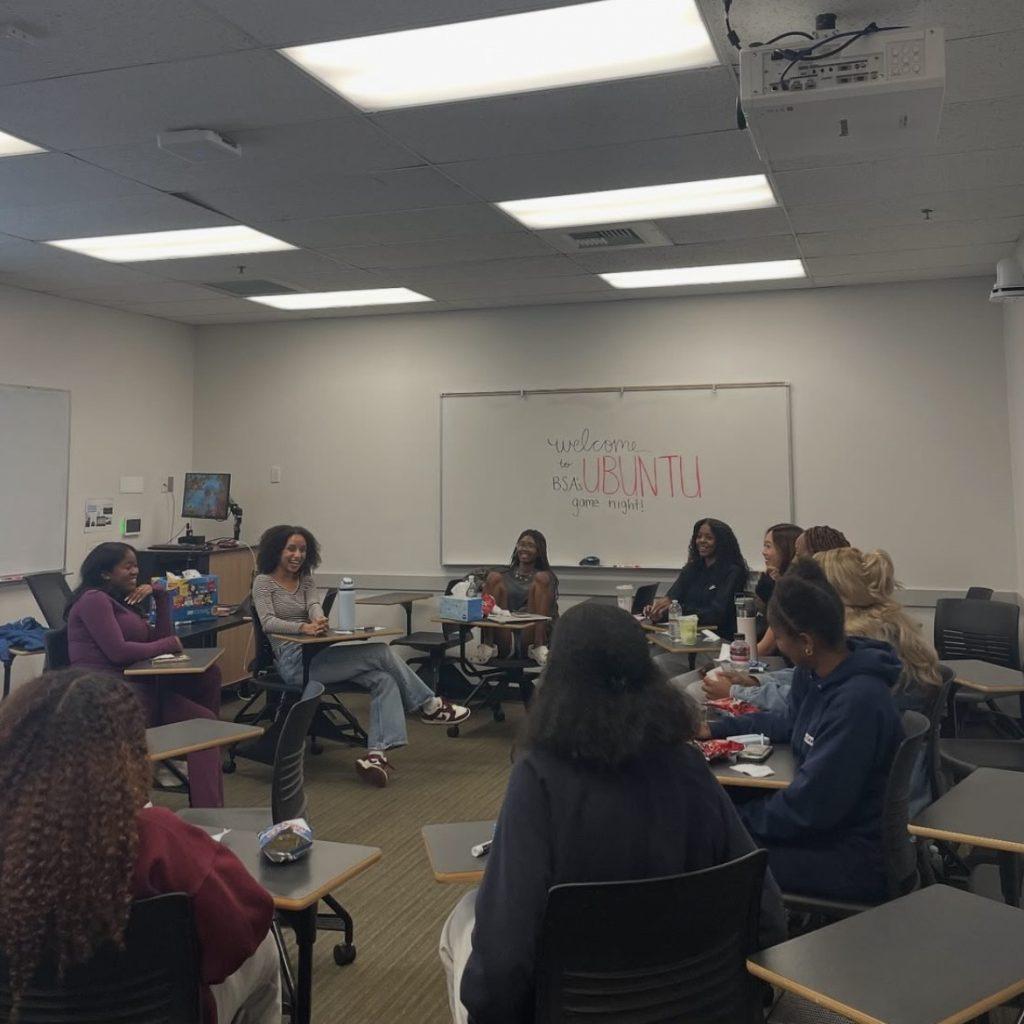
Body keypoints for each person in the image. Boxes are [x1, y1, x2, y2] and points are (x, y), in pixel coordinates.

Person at [439, 602, 785, 1024]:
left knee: (462, 917)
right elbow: (765, 912)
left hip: (575, 1010)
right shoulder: (690, 767)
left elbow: (502, 964)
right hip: (699, 1005)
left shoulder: (538, 779)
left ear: (557, 678)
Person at [0, 669, 279, 1024]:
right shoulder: (157, 838)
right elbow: (245, 927)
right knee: (267, 950)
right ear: (125, 756)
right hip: (161, 1014)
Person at [704, 559, 904, 903]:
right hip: (826, 827)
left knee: (716, 856)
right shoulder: (815, 673)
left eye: (779, 637)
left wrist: (730, 821)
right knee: (719, 816)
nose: (778, 646)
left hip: (851, 856)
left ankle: (750, 951)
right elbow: (788, 723)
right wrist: (714, 728)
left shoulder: (858, 703)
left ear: (806, 641)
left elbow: (810, 809)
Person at [252, 524, 469, 788]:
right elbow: (268, 622)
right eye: (291, 549)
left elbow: (312, 604)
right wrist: (302, 627)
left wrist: (318, 618)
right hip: (293, 663)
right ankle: (429, 704)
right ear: (277, 550)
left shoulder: (305, 579)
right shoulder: (263, 583)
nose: (297, 555)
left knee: (383, 679)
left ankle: (376, 756)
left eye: (302, 550)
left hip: (317, 654)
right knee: (380, 651)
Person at [66, 541, 224, 807]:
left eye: (136, 566)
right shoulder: (93, 600)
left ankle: (206, 806)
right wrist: (169, 645)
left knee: (206, 706)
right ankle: (175, 767)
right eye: (127, 566)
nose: (134, 572)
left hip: (140, 689)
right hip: (110, 699)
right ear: (105, 573)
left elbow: (162, 637)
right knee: (203, 720)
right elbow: (118, 651)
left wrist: (160, 596)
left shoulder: (123, 601)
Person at [694, 524, 853, 712]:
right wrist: (751, 681)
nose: (763, 552)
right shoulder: (775, 585)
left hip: (766, 665)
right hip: (765, 671)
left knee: (698, 690)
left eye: (798, 554)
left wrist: (738, 690)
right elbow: (801, 677)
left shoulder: (809, 606)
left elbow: (799, 694)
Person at [644, 518, 749, 679]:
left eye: (709, 537)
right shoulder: (692, 568)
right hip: (686, 643)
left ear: (721, 541)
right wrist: (658, 612)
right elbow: (673, 601)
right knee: (652, 662)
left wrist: (679, 610)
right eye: (699, 536)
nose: (702, 541)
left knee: (667, 674)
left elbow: (716, 613)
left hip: (716, 645)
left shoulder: (733, 572)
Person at [473, 529, 558, 665]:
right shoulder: (503, 573)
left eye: (531, 546)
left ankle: (538, 646)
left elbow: (551, 614)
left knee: (541, 577)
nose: (525, 548)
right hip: (502, 634)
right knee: (493, 576)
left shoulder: (545, 578)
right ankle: (487, 644)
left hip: (528, 636)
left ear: (539, 551)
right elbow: (471, 579)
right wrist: (480, 585)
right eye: (522, 544)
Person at [754, 523, 802, 656]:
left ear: (785, 549)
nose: (763, 552)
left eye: (768, 546)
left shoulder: (794, 590)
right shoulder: (770, 581)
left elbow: (766, 647)